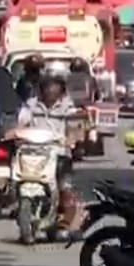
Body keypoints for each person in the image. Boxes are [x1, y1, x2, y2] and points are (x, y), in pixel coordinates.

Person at [17, 76, 79, 232]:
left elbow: (75, 128)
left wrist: (71, 139)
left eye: (55, 87)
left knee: (65, 189)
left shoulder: (68, 107)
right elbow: (22, 122)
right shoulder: (31, 105)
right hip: (34, 153)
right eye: (48, 87)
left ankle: (66, 223)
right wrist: (15, 133)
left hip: (59, 155)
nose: (51, 91)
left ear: (61, 91)